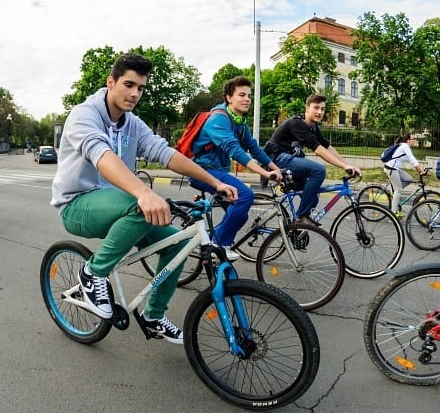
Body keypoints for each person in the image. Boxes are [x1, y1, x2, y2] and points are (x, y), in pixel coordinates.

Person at [51, 53, 238, 344]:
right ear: (110, 82)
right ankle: (93, 273)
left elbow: (165, 153)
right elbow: (101, 155)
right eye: (128, 84)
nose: (135, 93)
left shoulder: (132, 123)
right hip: (78, 204)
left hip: (118, 205)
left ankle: (153, 317)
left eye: (140, 87)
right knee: (140, 205)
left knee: (176, 244)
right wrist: (143, 192)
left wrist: (214, 181)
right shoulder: (84, 115)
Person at [187, 76, 282, 260]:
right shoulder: (218, 119)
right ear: (229, 98)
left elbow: (254, 148)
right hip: (201, 170)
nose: (247, 99)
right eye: (242, 95)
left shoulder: (238, 121)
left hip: (217, 170)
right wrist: (265, 173)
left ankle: (212, 241)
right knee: (245, 196)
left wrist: (275, 168)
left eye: (249, 95)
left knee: (240, 215)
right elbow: (235, 150)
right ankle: (217, 245)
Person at [265, 94, 361, 226]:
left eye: (322, 109)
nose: (320, 112)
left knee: (313, 198)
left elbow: (327, 146)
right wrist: (343, 166)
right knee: (319, 170)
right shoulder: (297, 123)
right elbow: (318, 149)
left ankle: (296, 230)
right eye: (316, 108)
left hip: (289, 160)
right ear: (307, 108)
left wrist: (347, 164)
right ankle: (300, 217)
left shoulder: (313, 127)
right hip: (277, 159)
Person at [382, 133, 423, 217]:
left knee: (409, 179)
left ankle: (394, 190)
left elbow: (412, 161)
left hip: (394, 169)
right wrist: (421, 172)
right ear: (408, 140)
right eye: (413, 139)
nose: (414, 140)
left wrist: (422, 169)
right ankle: (393, 214)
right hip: (391, 168)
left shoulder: (405, 147)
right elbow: (413, 160)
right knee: (399, 190)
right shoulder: (405, 146)